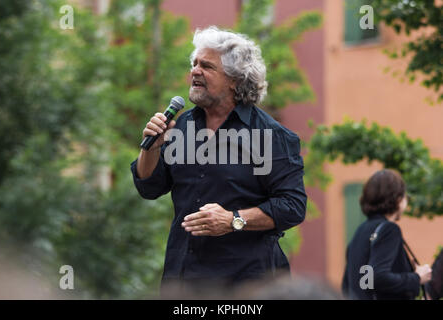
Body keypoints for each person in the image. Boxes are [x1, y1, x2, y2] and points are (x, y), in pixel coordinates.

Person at [130, 26, 307, 296]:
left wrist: (233, 220)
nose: (194, 71)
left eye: (206, 66)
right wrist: (151, 148)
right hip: (184, 280)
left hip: (246, 285)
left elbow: (292, 206)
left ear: (235, 80)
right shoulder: (180, 126)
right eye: (194, 64)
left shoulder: (272, 136)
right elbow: (149, 187)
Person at [342, 169, 433, 300]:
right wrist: (417, 277)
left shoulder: (360, 231)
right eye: (404, 196)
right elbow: (378, 276)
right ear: (397, 199)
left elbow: (348, 284)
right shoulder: (389, 229)